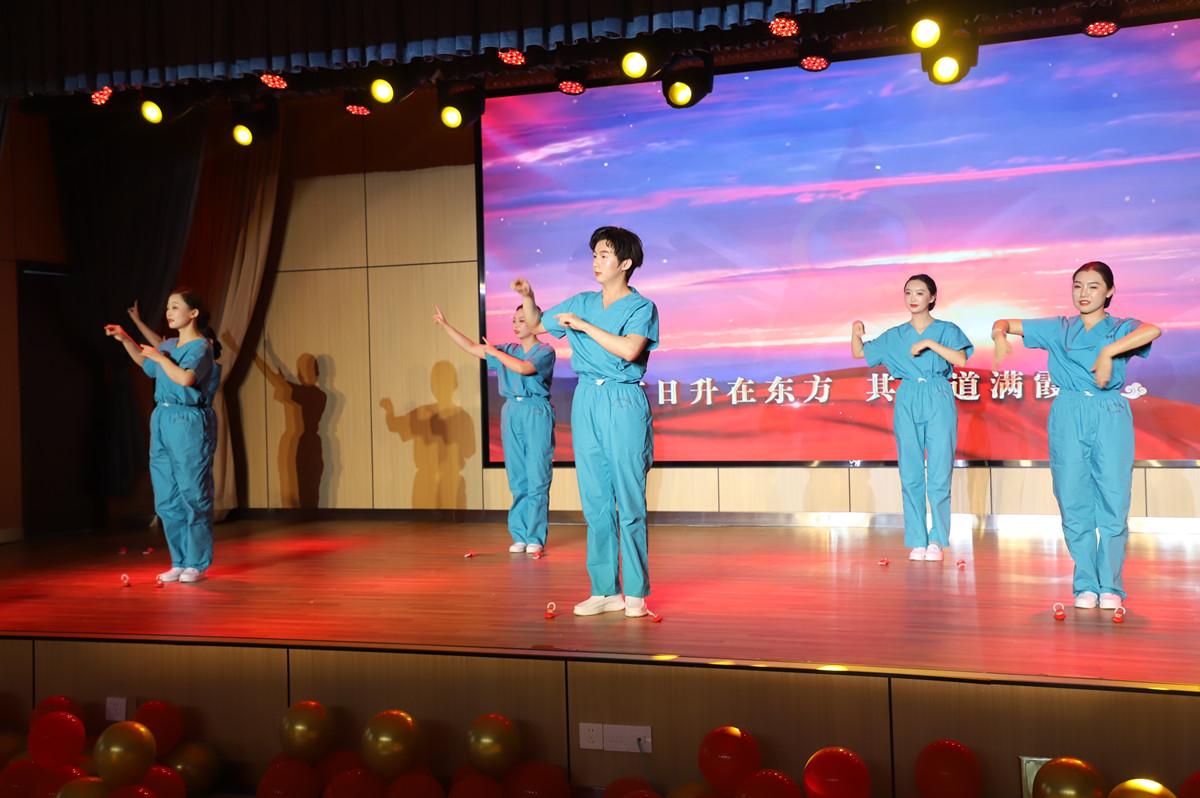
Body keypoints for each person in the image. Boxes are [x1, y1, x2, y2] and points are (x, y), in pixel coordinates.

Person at [992, 262, 1159, 611]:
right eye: (1078, 286)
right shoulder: (1059, 328)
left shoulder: (1120, 328)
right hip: (1068, 411)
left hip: (1109, 410)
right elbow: (1004, 323)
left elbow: (1152, 330)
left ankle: (1110, 584)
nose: (1084, 293)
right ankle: (1085, 583)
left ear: (1109, 291)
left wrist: (1109, 351)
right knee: (1071, 497)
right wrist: (998, 336)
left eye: (1093, 286)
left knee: (1114, 497)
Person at [512, 226, 659, 618]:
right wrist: (528, 297)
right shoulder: (582, 301)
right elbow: (538, 325)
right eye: (594, 255)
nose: (596, 262)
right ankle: (605, 590)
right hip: (587, 399)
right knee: (595, 500)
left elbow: (629, 349)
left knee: (629, 499)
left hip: (622, 399)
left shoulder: (642, 307)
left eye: (605, 255)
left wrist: (583, 326)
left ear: (625, 263)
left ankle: (636, 595)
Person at [851, 274, 972, 563]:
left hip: (938, 393)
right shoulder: (895, 335)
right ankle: (917, 539)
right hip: (907, 396)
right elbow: (860, 353)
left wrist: (929, 343)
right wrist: (855, 332)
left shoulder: (946, 330)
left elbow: (960, 359)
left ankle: (937, 540)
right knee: (910, 472)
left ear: (932, 297)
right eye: (908, 293)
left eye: (919, 292)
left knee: (939, 472)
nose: (913, 298)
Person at [106, 288, 219, 583]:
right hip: (163, 419)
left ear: (193, 313)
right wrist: (125, 339)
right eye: (168, 307)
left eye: (175, 307)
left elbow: (185, 378)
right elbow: (146, 364)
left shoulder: (201, 347)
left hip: (188, 421)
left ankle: (196, 563)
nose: (169, 312)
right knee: (166, 497)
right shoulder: (168, 344)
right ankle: (179, 560)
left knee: (193, 493)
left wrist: (160, 357)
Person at [433, 303, 556, 554]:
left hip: (535, 410)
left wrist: (496, 354)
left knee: (537, 476)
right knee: (517, 477)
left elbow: (524, 368)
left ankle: (535, 536)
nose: (516, 325)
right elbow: (472, 347)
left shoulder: (545, 350)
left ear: (535, 322)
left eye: (521, 320)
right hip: (511, 410)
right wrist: (446, 327)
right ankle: (520, 534)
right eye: (514, 320)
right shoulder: (507, 349)